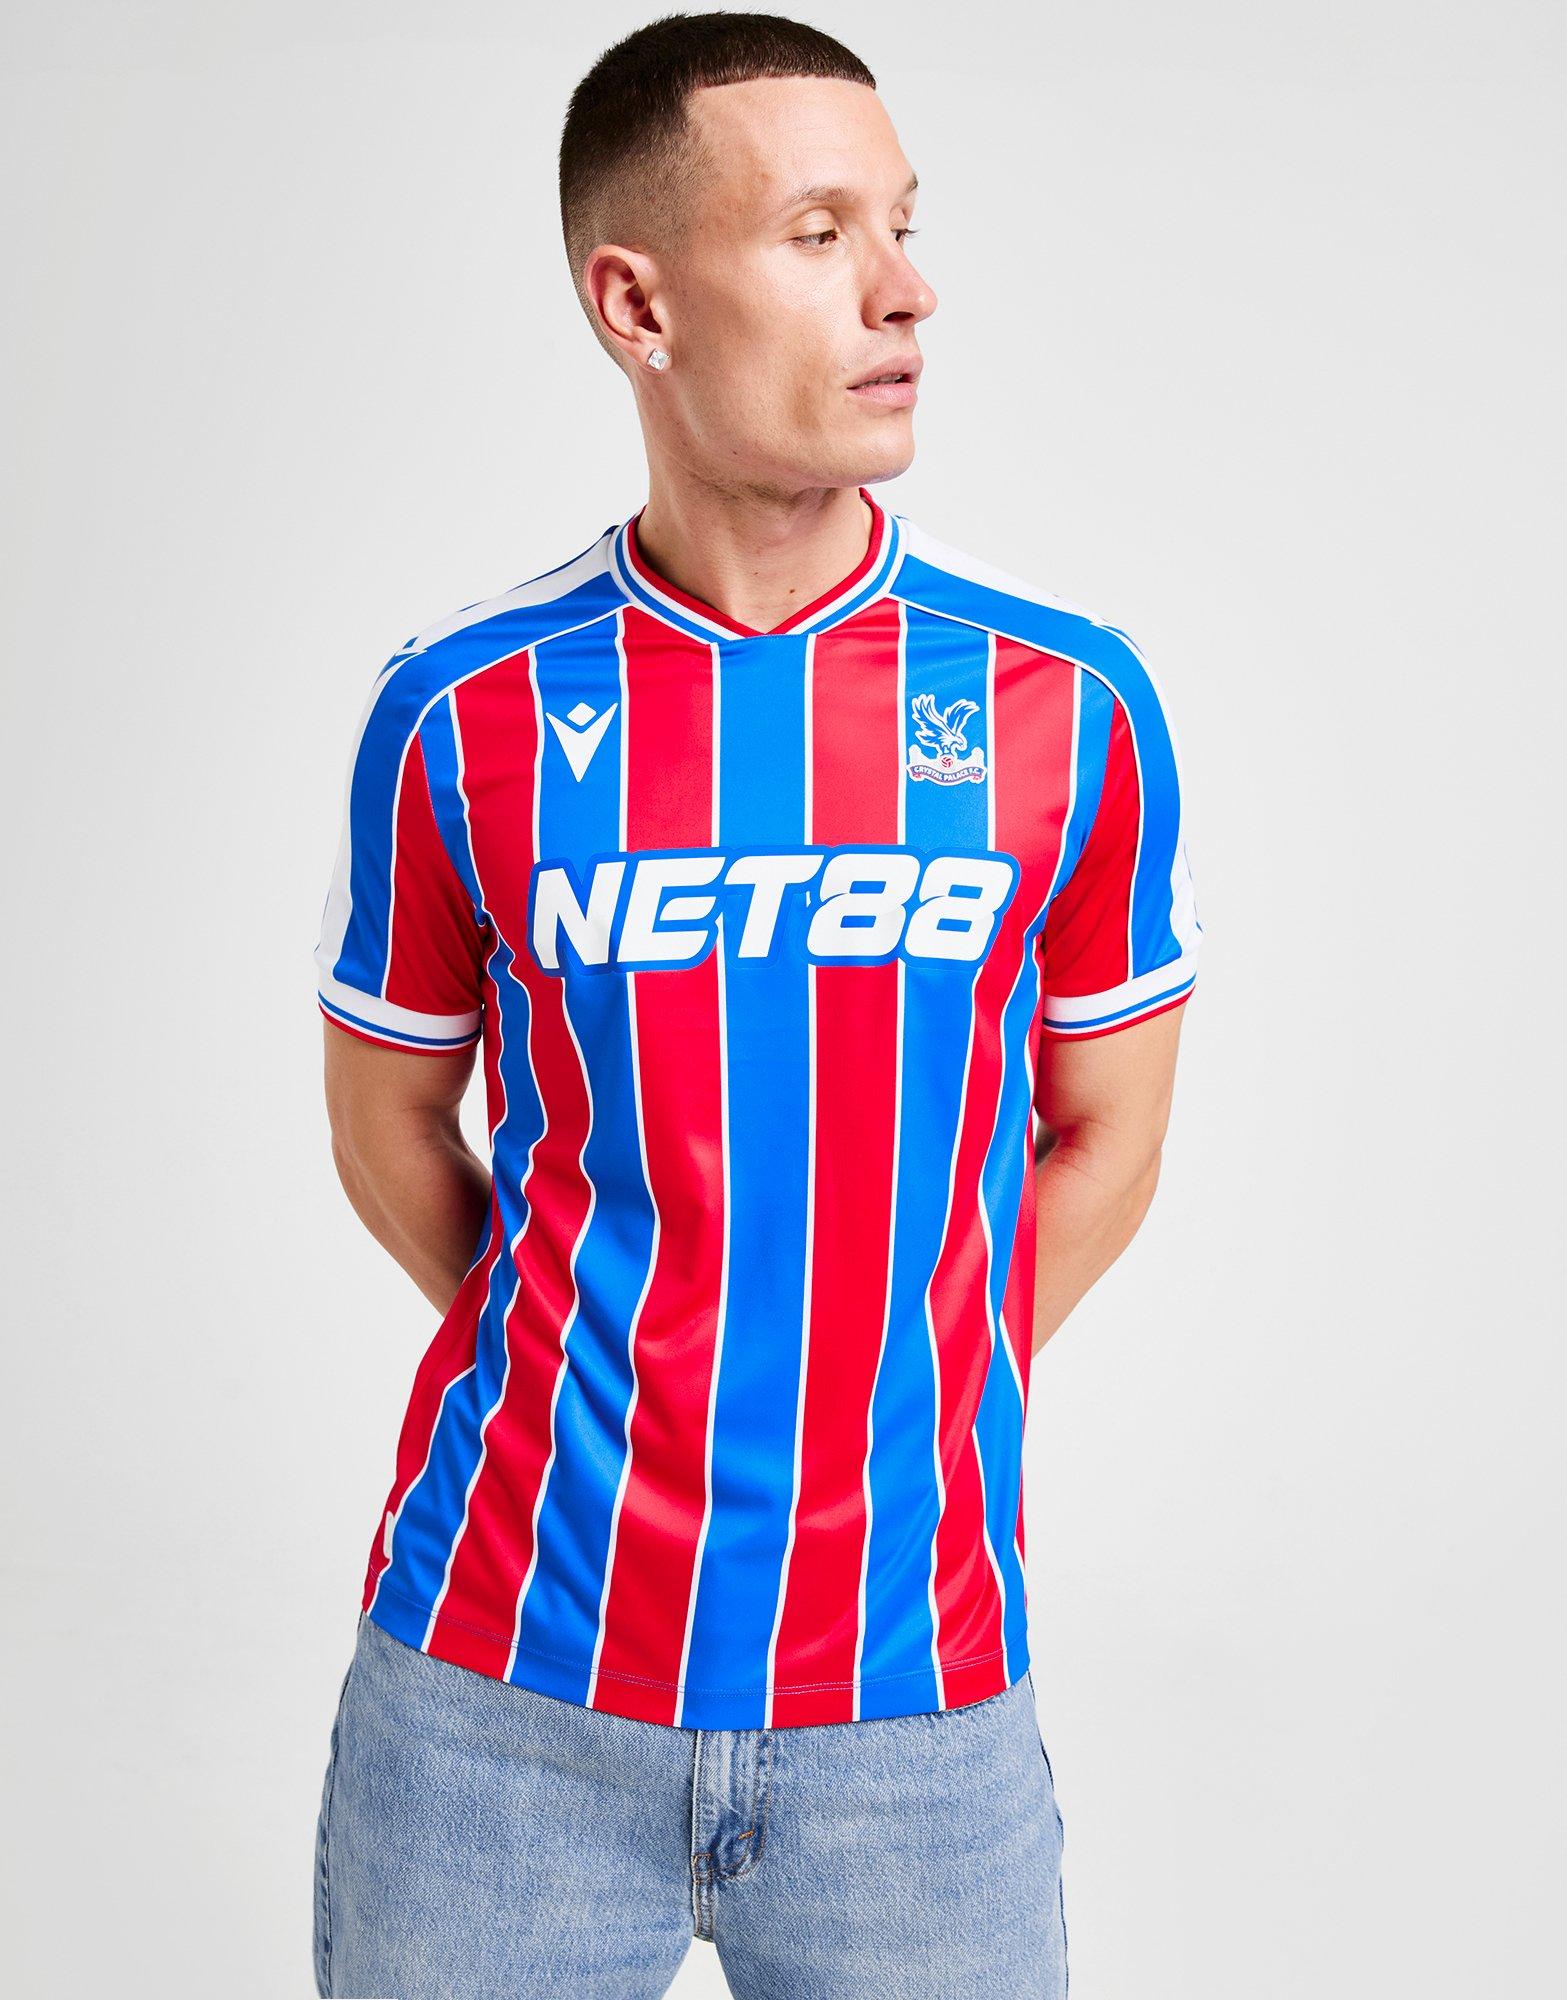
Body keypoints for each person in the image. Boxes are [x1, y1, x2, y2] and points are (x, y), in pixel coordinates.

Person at [309, 11, 1201, 1997]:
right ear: (635, 302)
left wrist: (893, 1393)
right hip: (499, 1709)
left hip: (918, 1713)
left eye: (900, 224)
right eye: (817, 234)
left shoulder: (1068, 701)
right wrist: (605, 1370)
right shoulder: (459, 714)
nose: (905, 290)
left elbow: (1111, 1136)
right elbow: (386, 1127)